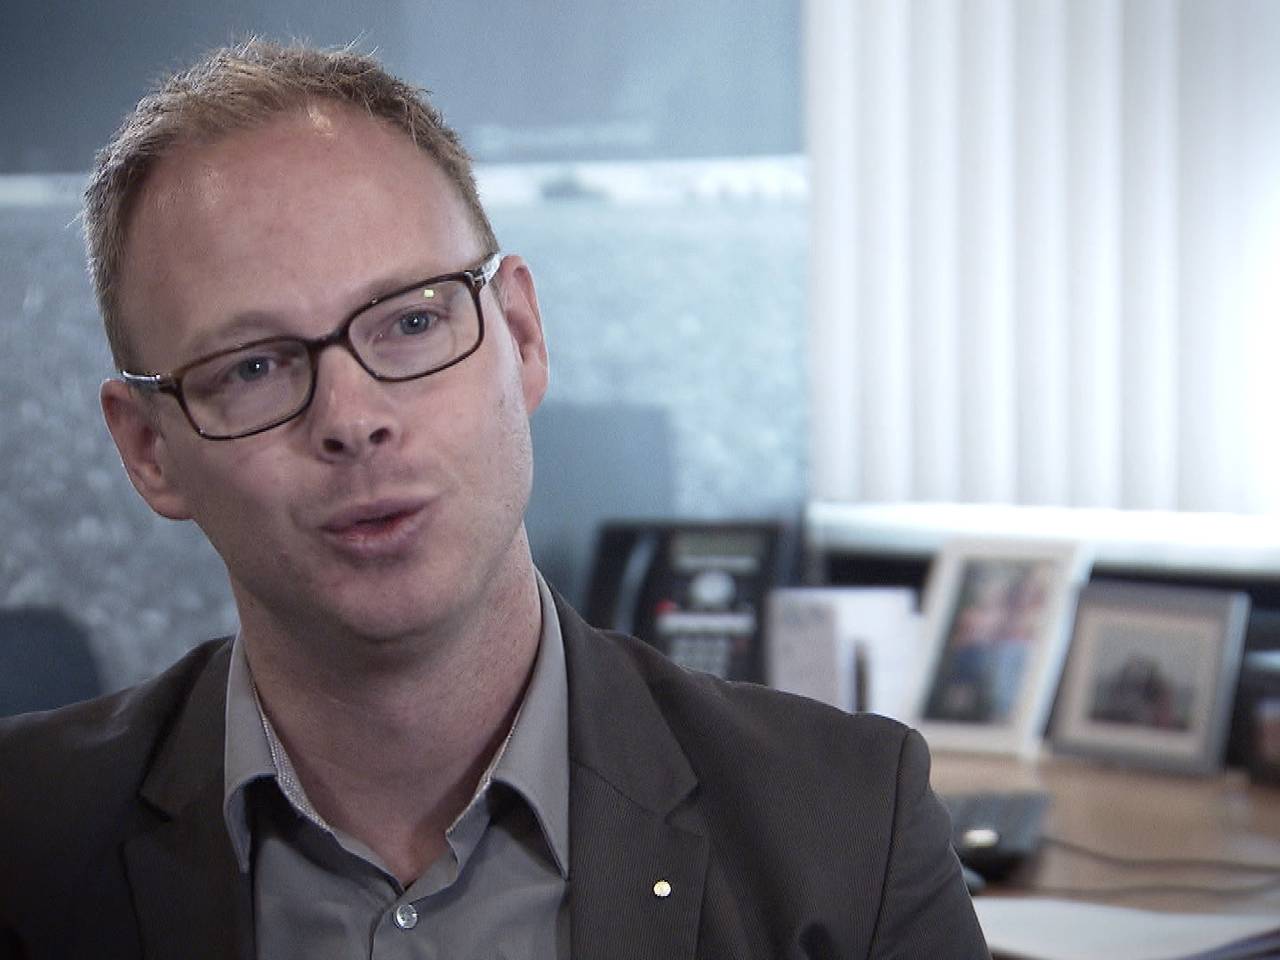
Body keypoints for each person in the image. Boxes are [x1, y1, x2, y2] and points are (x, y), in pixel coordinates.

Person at [0, 40, 989, 960]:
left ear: (520, 335)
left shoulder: (850, 836)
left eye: (410, 323)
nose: (352, 419)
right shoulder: (21, 840)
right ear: (149, 450)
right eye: (252, 366)